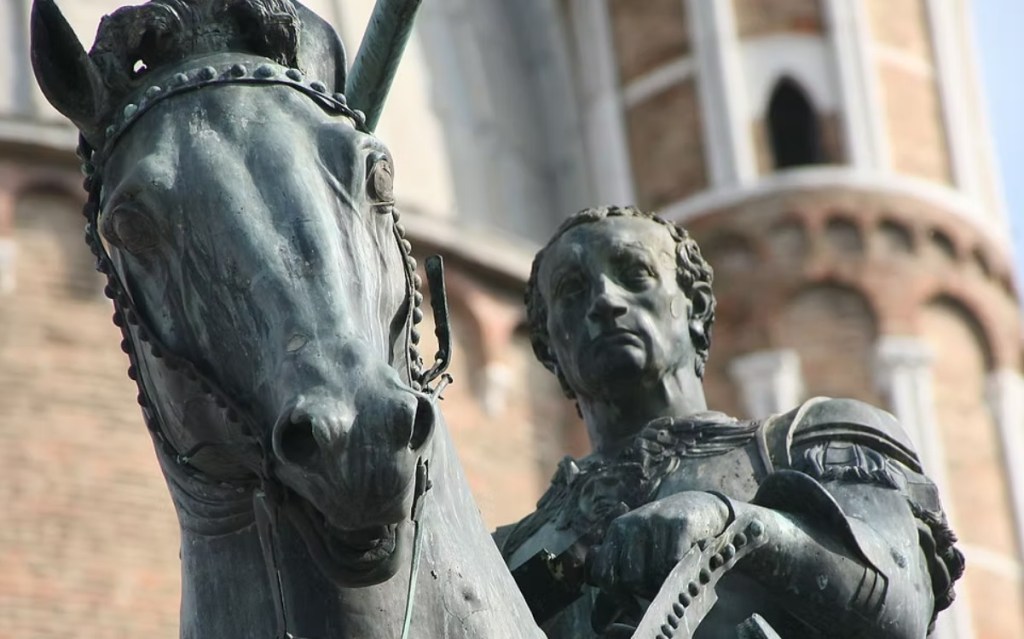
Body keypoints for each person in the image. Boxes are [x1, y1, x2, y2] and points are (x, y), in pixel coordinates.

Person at [496, 206, 963, 638]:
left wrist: (732, 522)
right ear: (547, 348)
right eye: (572, 291)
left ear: (696, 308)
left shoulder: (810, 440)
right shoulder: (506, 554)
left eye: (635, 275)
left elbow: (902, 605)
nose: (604, 300)